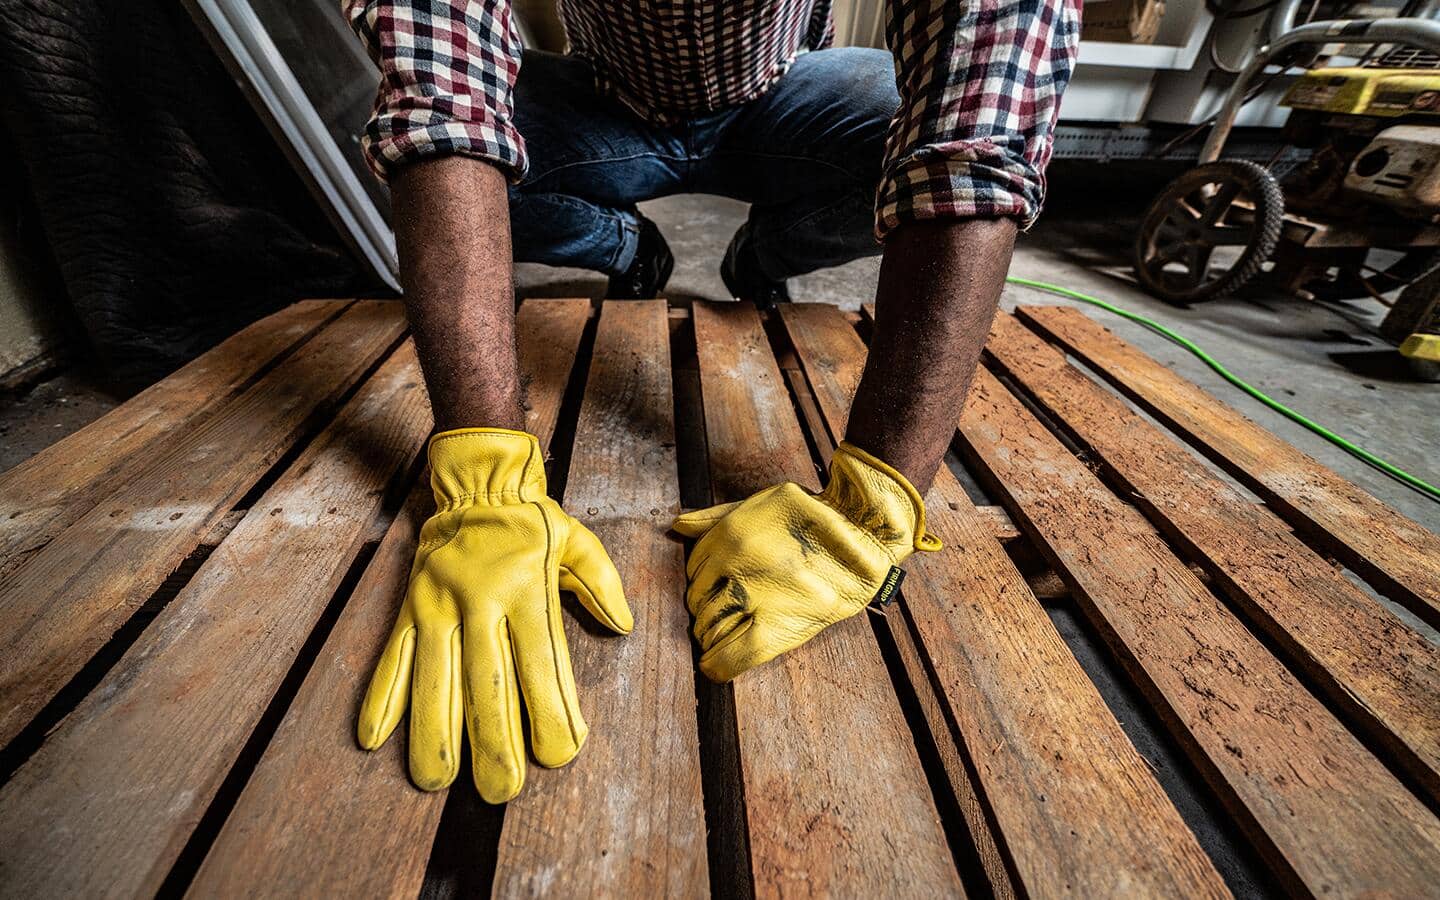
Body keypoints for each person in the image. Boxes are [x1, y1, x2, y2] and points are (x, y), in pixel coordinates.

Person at [344, 0, 1079, 803]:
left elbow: (975, 135)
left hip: (786, 100)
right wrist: (484, 478)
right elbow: (442, 102)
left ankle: (761, 260)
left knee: (897, 119)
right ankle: (627, 248)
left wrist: (872, 508)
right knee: (436, 176)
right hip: (604, 112)